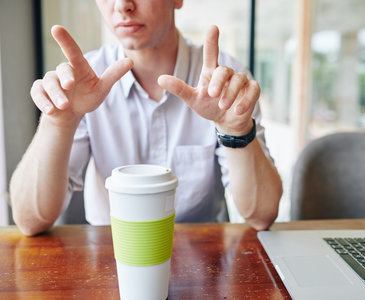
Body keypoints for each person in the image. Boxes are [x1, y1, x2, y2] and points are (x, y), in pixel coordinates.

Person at [10, 0, 283, 236]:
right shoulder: (84, 82)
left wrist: (235, 129)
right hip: (112, 254)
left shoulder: (223, 79)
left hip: (203, 259)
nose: (122, 6)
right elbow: (30, 221)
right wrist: (59, 122)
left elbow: (261, 215)